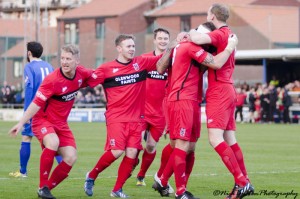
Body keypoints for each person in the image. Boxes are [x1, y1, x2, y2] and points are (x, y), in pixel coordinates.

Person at [83, 34, 175, 198]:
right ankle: (91, 175)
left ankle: (117, 190)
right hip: (116, 117)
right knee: (117, 151)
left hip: (136, 119)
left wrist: (175, 45)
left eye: (133, 46)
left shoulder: (141, 63)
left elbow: (164, 58)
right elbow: (87, 79)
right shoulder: (106, 68)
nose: (132, 49)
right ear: (119, 48)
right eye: (128, 46)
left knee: (132, 154)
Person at [153, 24, 239, 199]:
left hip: (192, 100)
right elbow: (215, 63)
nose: (209, 43)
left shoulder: (191, 47)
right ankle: (179, 191)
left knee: (189, 147)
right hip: (180, 99)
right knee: (180, 144)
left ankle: (163, 180)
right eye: (208, 39)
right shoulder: (190, 46)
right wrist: (230, 47)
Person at [8, 44, 94, 199]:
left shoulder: (82, 74)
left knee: (71, 157)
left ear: (77, 61)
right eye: (62, 58)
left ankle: (46, 189)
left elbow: (100, 76)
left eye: (68, 59)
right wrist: (21, 123)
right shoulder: (52, 80)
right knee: (52, 142)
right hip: (42, 120)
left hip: (61, 124)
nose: (64, 62)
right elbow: (35, 103)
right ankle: (42, 186)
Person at [187, 3, 254, 199]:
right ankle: (244, 181)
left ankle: (242, 183)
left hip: (219, 91)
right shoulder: (228, 33)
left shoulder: (220, 33)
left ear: (212, 17)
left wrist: (191, 31)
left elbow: (197, 37)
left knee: (214, 139)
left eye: (207, 14)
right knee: (230, 139)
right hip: (228, 88)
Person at [9, 41, 62, 178]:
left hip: (35, 107)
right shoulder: (49, 66)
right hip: (50, 108)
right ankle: (63, 167)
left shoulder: (29, 67)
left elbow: (30, 88)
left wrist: (26, 113)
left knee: (26, 137)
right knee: (51, 139)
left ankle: (23, 172)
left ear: (29, 53)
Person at [135, 28, 173, 192]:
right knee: (134, 144)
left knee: (150, 146)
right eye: (160, 38)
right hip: (141, 110)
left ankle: (141, 175)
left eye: (166, 38)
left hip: (160, 114)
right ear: (155, 40)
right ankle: (132, 161)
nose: (163, 41)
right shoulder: (145, 59)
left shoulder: (173, 62)